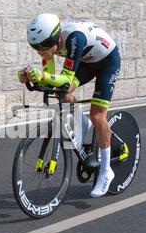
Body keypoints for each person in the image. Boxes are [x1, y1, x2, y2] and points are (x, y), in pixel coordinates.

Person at [18, 13, 121, 198]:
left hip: (107, 62)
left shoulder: (75, 38)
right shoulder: (50, 41)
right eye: (36, 48)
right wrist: (31, 78)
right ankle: (82, 122)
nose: (39, 53)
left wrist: (42, 76)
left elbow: (64, 78)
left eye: (42, 48)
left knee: (98, 115)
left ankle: (106, 172)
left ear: (56, 39)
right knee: (63, 94)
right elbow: (52, 80)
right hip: (87, 62)